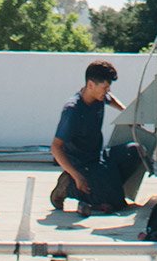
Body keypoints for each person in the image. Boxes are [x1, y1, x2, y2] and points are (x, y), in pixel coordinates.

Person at [50, 60, 129, 213]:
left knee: (135, 150)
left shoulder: (100, 96)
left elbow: (110, 98)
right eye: (104, 87)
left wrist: (126, 112)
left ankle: (105, 190)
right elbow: (55, 147)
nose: (107, 91)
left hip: (97, 157)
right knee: (118, 203)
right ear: (91, 85)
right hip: (81, 164)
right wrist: (76, 175)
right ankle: (69, 186)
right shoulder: (72, 110)